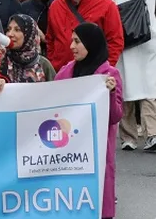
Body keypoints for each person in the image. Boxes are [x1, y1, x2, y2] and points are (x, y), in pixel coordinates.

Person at [54, 22, 122, 219]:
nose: (72, 47)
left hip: (96, 149)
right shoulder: (65, 73)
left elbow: (115, 116)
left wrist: (110, 94)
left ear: (91, 44)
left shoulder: (109, 75)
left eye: (77, 41)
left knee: (97, 201)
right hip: (68, 148)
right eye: (72, 41)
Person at [101, 0, 156, 151]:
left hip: (148, 40)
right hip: (124, 40)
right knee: (126, 89)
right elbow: (106, 8)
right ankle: (129, 136)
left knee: (150, 87)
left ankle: (152, 133)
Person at [46, 0, 124, 71]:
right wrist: (54, 64)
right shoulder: (55, 6)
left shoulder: (107, 6)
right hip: (61, 73)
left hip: (92, 74)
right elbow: (50, 39)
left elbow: (115, 42)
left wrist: (104, 70)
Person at [0, 14, 55, 82]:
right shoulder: (0, 59)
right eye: (8, 29)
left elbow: (55, 87)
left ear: (29, 34)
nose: (10, 34)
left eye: (17, 30)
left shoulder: (43, 64)